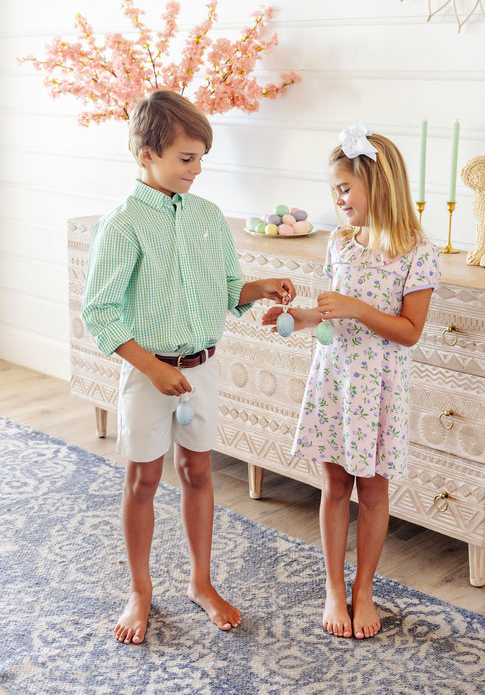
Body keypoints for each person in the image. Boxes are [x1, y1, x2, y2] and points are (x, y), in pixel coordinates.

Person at [82, 89, 296, 646]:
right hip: (147, 373)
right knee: (144, 480)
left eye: (201, 158)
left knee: (198, 473)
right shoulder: (122, 224)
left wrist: (260, 287)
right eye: (186, 158)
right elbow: (100, 312)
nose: (197, 169)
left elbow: (227, 290)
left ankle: (202, 582)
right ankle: (140, 590)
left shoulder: (207, 217)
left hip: (202, 370)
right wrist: (152, 370)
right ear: (147, 153)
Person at [263, 120, 441, 640]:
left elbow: (409, 332)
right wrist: (297, 317)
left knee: (374, 491)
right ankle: (333, 587)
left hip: (379, 387)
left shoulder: (417, 251)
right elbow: (333, 313)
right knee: (336, 486)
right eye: (334, 190)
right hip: (335, 380)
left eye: (344, 188)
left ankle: (364, 590)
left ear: (378, 186)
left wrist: (357, 308)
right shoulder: (340, 242)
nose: (337, 199)